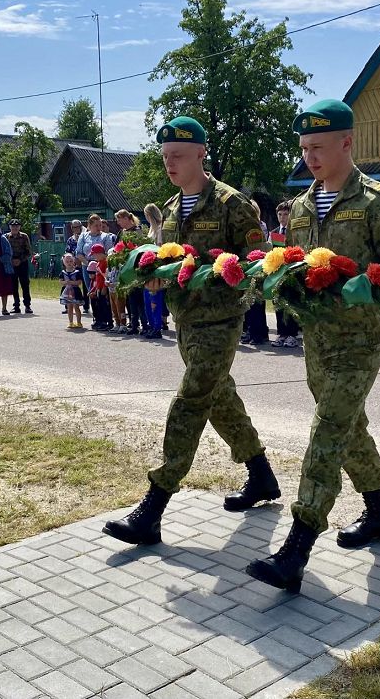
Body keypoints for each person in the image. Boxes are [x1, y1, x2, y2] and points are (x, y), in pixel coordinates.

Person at [246, 99, 380, 592]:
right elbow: (294, 262)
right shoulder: (300, 206)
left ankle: (296, 548)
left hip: (361, 338)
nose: (310, 158)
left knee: (327, 433)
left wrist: (365, 280)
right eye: (304, 149)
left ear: (347, 142)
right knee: (348, 429)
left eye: (318, 147)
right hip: (316, 340)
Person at [104, 115, 280, 547]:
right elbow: (163, 259)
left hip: (220, 320)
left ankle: (154, 504)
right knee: (220, 399)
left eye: (178, 156)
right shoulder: (166, 210)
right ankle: (261, 475)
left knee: (191, 400)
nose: (170, 164)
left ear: (201, 154)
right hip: (185, 320)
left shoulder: (232, 204)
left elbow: (260, 258)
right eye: (165, 157)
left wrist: (221, 273)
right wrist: (151, 276)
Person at [270, 200, 301, 348]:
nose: (283, 217)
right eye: (280, 214)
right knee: (278, 302)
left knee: (291, 301)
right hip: (278, 271)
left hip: (292, 270)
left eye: (286, 214)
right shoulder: (274, 233)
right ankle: (282, 333)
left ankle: (292, 334)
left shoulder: (295, 231)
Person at [115, 210, 149, 335]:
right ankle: (134, 324)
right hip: (125, 267)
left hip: (136, 267)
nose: (118, 222)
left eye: (119, 219)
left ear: (125, 218)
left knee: (140, 298)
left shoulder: (137, 230)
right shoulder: (121, 232)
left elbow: (142, 248)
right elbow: (116, 247)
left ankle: (145, 325)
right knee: (131, 298)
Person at [242, 199, 270, 346]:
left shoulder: (259, 226)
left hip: (258, 266)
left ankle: (258, 334)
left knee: (257, 303)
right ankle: (252, 331)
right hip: (247, 266)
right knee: (249, 302)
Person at [143, 203, 166, 339]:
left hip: (156, 266)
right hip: (147, 266)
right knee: (147, 298)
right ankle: (152, 325)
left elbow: (160, 247)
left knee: (154, 298)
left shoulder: (160, 228)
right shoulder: (151, 229)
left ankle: (157, 327)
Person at [7, 219, 34, 314]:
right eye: (13, 226)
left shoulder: (24, 236)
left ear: (19, 227)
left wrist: (20, 260)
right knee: (13, 285)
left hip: (22, 262)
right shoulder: (6, 237)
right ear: (9, 227)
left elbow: (29, 251)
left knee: (25, 284)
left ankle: (27, 305)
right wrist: (11, 260)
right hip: (11, 263)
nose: (15, 228)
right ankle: (16, 305)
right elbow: (5, 251)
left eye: (17, 226)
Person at [86, 244, 112, 331]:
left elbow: (106, 277)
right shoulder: (98, 263)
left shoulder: (105, 262)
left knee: (105, 306)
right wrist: (94, 289)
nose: (93, 256)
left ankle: (107, 322)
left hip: (104, 288)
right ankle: (100, 321)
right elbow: (97, 279)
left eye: (94, 254)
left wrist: (104, 288)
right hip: (98, 288)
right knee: (100, 306)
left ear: (99, 253)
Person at [59, 253, 84, 328]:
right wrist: (65, 282)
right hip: (67, 292)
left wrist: (72, 282)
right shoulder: (63, 273)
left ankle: (79, 322)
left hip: (75, 291)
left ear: (73, 262)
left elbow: (79, 282)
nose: (69, 263)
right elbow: (60, 281)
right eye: (67, 262)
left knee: (76, 307)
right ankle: (70, 322)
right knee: (69, 307)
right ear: (64, 263)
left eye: (70, 261)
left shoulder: (77, 272)